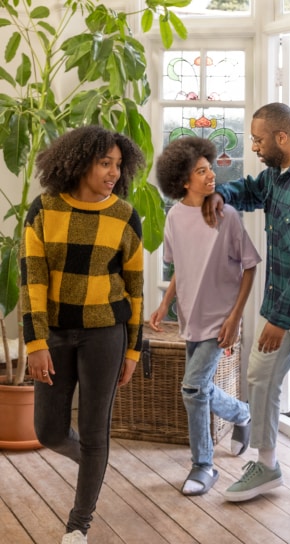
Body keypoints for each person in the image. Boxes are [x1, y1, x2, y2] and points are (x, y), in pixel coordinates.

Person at [20, 126, 145, 544]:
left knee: (95, 431)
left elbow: (136, 288)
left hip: (106, 334)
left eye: (118, 165)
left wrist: (133, 350)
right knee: (49, 431)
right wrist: (36, 344)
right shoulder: (43, 209)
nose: (113, 172)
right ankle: (94, 462)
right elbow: (31, 282)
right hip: (54, 334)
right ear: (78, 162)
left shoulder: (125, 215)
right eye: (104, 163)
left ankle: (79, 525)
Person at [202, 102, 290, 502]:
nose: (256, 146)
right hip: (280, 304)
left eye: (259, 140)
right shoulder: (276, 177)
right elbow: (248, 190)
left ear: (282, 137)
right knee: (260, 377)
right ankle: (267, 465)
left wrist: (279, 320)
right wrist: (221, 196)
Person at [149, 136, 261, 496]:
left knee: (192, 387)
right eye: (201, 171)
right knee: (199, 387)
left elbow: (249, 266)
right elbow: (182, 266)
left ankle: (203, 465)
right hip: (189, 318)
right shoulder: (174, 217)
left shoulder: (225, 215)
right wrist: (166, 302)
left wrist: (235, 318)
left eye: (210, 167)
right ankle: (242, 413)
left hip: (220, 319)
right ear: (184, 180)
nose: (211, 175)